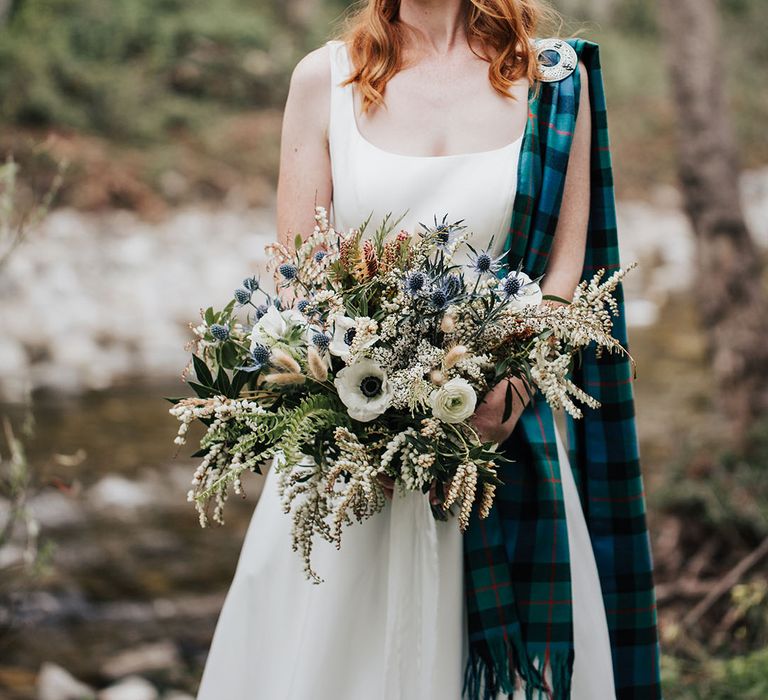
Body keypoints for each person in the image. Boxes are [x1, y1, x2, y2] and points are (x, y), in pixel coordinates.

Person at [196, 1, 662, 698]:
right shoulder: (324, 79)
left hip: (502, 445)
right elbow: (300, 281)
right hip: (352, 466)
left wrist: (513, 390)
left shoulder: (555, 79)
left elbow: (563, 280)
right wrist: (362, 411)